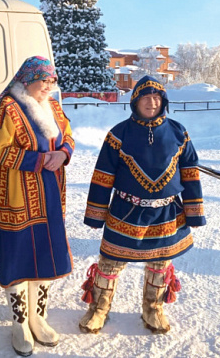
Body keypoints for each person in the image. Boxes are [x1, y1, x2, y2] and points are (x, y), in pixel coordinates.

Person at [79, 75, 205, 335]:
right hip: (126, 211)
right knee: (110, 262)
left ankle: (153, 309)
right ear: (135, 101)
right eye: (145, 97)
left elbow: (190, 172)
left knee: (160, 263)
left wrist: (194, 212)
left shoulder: (179, 132)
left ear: (164, 101)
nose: (151, 102)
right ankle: (98, 309)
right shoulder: (118, 134)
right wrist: (95, 214)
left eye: (157, 97)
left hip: (166, 212)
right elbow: (103, 175)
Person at [0, 56, 74, 357]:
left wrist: (63, 153)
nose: (49, 86)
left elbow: (68, 135)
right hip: (16, 195)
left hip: (50, 194)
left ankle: (39, 317)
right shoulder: (7, 107)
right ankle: (20, 323)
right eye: (43, 80)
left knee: (46, 253)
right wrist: (40, 160)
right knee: (19, 256)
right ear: (27, 80)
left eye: (52, 80)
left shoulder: (53, 105)